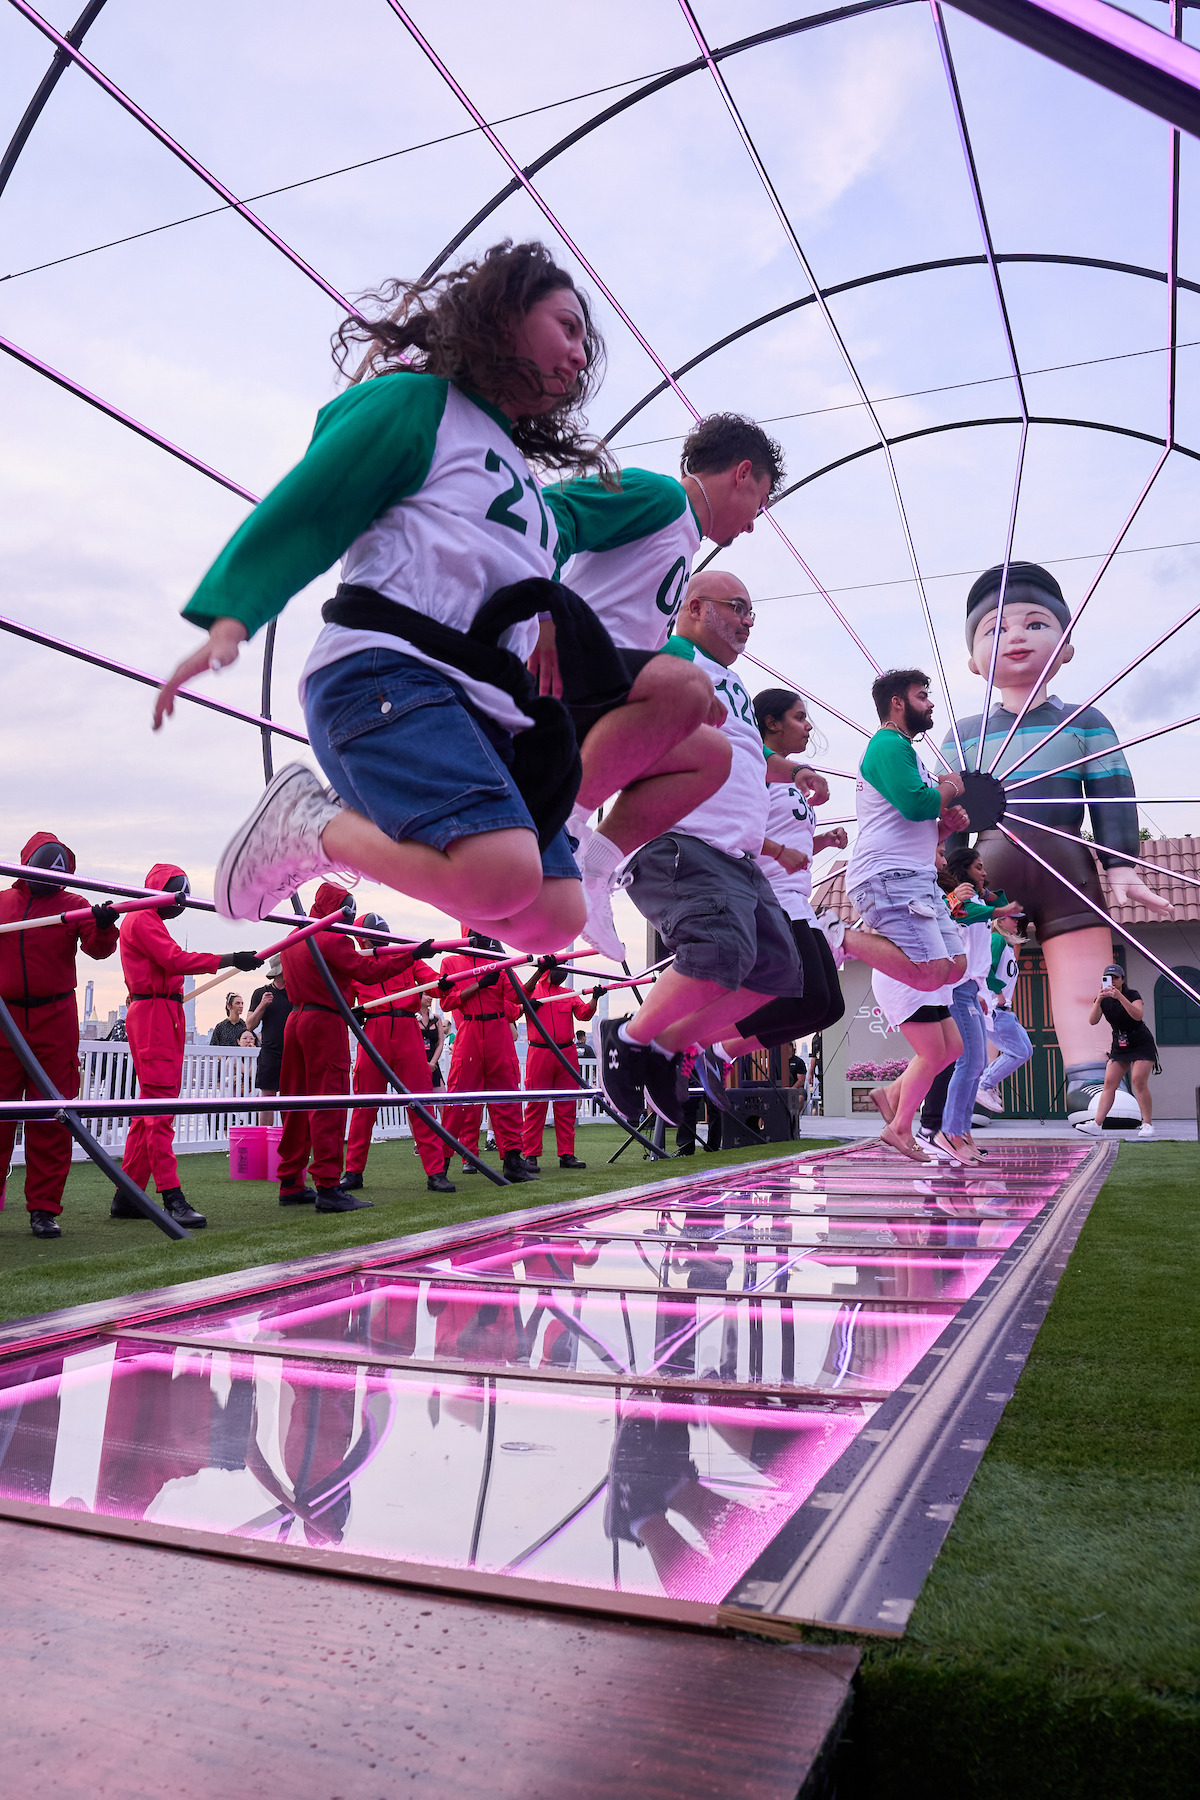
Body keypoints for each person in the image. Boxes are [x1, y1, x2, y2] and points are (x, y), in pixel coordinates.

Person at [155, 241, 617, 953]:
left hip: (480, 703)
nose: (581, 357)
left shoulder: (524, 478)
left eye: (586, 342)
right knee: (500, 872)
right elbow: (316, 503)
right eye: (568, 327)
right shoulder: (419, 404)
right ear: (503, 315)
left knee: (555, 916)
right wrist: (234, 614)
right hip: (387, 670)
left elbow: (516, 575)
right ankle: (310, 824)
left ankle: (339, 824)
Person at [545, 414, 786, 958]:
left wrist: (676, 704)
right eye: (760, 501)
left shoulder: (683, 540)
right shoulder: (660, 496)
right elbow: (547, 511)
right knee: (690, 688)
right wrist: (539, 611)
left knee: (711, 754)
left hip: (599, 688)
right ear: (742, 474)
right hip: (561, 671)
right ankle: (565, 825)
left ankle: (594, 871)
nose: (754, 523)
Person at [946, 562, 1170, 1121]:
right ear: (973, 661)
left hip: (1070, 870)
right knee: (978, 986)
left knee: (1084, 983)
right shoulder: (964, 734)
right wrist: (944, 878)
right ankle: (971, 1085)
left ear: (1065, 646)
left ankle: (1091, 1084)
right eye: (995, 629)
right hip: (987, 873)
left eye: (1036, 624)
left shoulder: (1085, 723)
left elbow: (1112, 794)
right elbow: (941, 813)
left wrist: (1121, 866)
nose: (1016, 637)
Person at [597, 572, 803, 1127]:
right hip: (683, 838)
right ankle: (628, 1038)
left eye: (752, 612)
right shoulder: (675, 654)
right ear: (694, 607)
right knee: (717, 950)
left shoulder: (732, 682)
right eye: (737, 607)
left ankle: (667, 1047)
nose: (747, 621)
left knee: (779, 973)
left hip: (736, 853)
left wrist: (792, 771)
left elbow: (749, 748)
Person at [116, 863, 261, 1227]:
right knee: (160, 1107)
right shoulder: (142, 918)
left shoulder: (147, 920)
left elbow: (170, 962)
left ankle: (128, 1194)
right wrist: (230, 959)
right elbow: (175, 960)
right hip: (154, 1015)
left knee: (151, 1108)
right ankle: (171, 1196)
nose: (181, 903)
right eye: (178, 894)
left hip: (163, 1013)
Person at [713, 688, 848, 1062]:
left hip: (797, 899)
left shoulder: (792, 780)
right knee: (810, 999)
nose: (808, 727)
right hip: (770, 897)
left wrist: (822, 842)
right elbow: (736, 832)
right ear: (771, 723)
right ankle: (690, 1040)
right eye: (799, 717)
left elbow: (788, 845)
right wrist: (778, 852)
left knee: (829, 1008)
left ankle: (721, 1052)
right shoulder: (755, 770)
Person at [0, 833, 120, 1239]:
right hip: (4, 1018)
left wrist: (104, 925)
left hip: (55, 1017)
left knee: (52, 1114)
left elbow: (98, 950)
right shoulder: (2, 902)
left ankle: (44, 1208)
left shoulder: (75, 904)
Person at [275, 881, 411, 1213]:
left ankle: (290, 1182)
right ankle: (328, 1186)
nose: (350, 916)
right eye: (347, 908)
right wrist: (411, 956)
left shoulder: (294, 936)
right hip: (324, 1021)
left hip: (296, 1019)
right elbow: (367, 971)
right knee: (329, 1102)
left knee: (296, 1102)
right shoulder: (331, 938)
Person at [341, 912, 456, 1195]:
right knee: (365, 1105)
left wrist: (443, 982)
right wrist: (351, 1012)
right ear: (363, 939)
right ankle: (353, 1172)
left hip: (407, 1030)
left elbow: (433, 982)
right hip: (374, 1032)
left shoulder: (406, 957)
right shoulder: (354, 964)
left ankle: (435, 1172)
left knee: (421, 1103)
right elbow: (343, 1002)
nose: (381, 940)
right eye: (374, 935)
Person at [928, 844, 1022, 1164]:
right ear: (964, 869)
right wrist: (960, 898)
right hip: (956, 987)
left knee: (977, 1063)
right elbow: (952, 914)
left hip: (971, 989)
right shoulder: (956, 901)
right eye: (978, 867)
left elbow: (1000, 905)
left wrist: (986, 892)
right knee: (968, 1063)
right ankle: (950, 1132)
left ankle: (962, 1131)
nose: (984, 872)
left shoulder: (976, 899)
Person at [439, 931, 533, 1182]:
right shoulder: (451, 962)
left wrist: (506, 961)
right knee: (457, 1099)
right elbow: (447, 1002)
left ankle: (513, 1160)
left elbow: (517, 996)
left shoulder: (498, 961)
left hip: (498, 1031)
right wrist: (480, 984)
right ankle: (440, 1166)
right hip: (470, 1030)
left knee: (507, 1097)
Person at [520, 962, 599, 1171]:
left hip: (566, 1052)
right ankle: (530, 1155)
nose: (563, 972)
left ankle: (566, 1154)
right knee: (536, 1105)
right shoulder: (531, 991)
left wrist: (594, 998)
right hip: (540, 1052)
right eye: (560, 967)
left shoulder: (568, 993)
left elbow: (583, 1014)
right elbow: (513, 1010)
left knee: (567, 1105)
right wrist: (526, 1006)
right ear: (548, 970)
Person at [1077, 964, 1158, 1138]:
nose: (1112, 981)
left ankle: (1147, 1124)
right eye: (1108, 977)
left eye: (1116, 977)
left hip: (1140, 1041)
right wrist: (1098, 1000)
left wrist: (1120, 997)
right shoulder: (1103, 999)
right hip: (1120, 1043)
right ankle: (1096, 1124)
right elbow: (1092, 1021)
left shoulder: (1132, 995)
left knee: (1138, 1081)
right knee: (1109, 1083)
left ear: (1122, 979)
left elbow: (1138, 1015)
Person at [975, 924, 1033, 1112]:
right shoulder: (996, 939)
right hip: (994, 1007)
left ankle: (987, 1083)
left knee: (1026, 1050)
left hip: (1003, 1009)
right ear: (1000, 921)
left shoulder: (1006, 945)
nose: (1016, 922)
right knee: (1019, 1052)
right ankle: (983, 1085)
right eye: (1012, 918)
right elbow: (986, 969)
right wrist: (999, 993)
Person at [248, 955, 291, 1125]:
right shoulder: (261, 993)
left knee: (291, 1097)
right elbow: (249, 1025)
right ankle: (265, 1136)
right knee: (267, 1097)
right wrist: (262, 1005)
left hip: (292, 1051)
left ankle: (290, 1137)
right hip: (270, 1052)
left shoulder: (296, 991)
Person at [418, 996, 446, 1088]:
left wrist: (432, 1063)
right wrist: (424, 1064)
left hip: (433, 1063)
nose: (430, 998)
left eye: (431, 995)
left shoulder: (436, 1019)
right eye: (426, 994)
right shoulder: (412, 1018)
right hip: (417, 1062)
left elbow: (440, 1043)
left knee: (441, 1093)